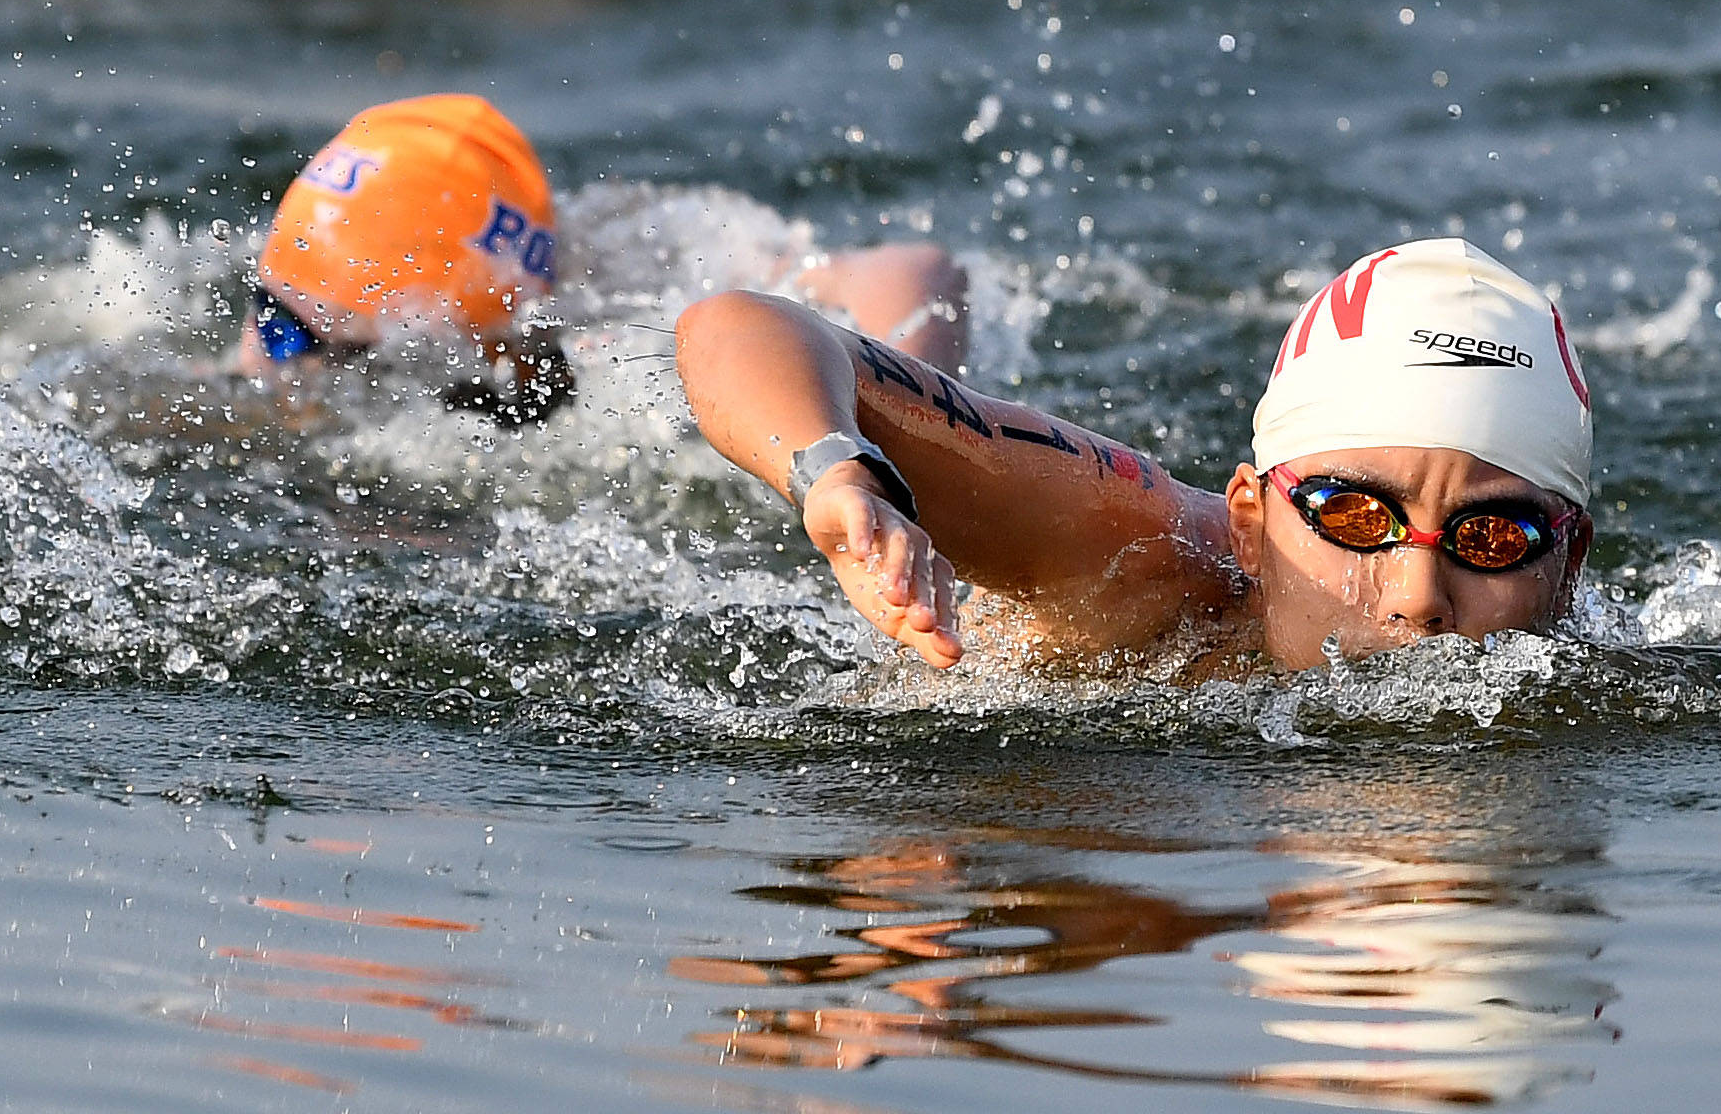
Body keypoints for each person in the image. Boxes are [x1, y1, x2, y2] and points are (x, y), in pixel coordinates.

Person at [672, 236, 1593, 676]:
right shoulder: (1135, 556)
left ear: (1570, 564)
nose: (1419, 596)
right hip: (937, 550)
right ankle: (897, 285)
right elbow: (737, 324)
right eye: (1354, 516)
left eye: (1494, 538)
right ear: (1249, 523)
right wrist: (837, 475)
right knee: (902, 398)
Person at [239, 92, 969, 425]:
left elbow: (918, 271)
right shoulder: (298, 320)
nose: (273, 362)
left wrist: (898, 440)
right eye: (269, 316)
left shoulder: (638, 288)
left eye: (305, 341)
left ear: (468, 317)